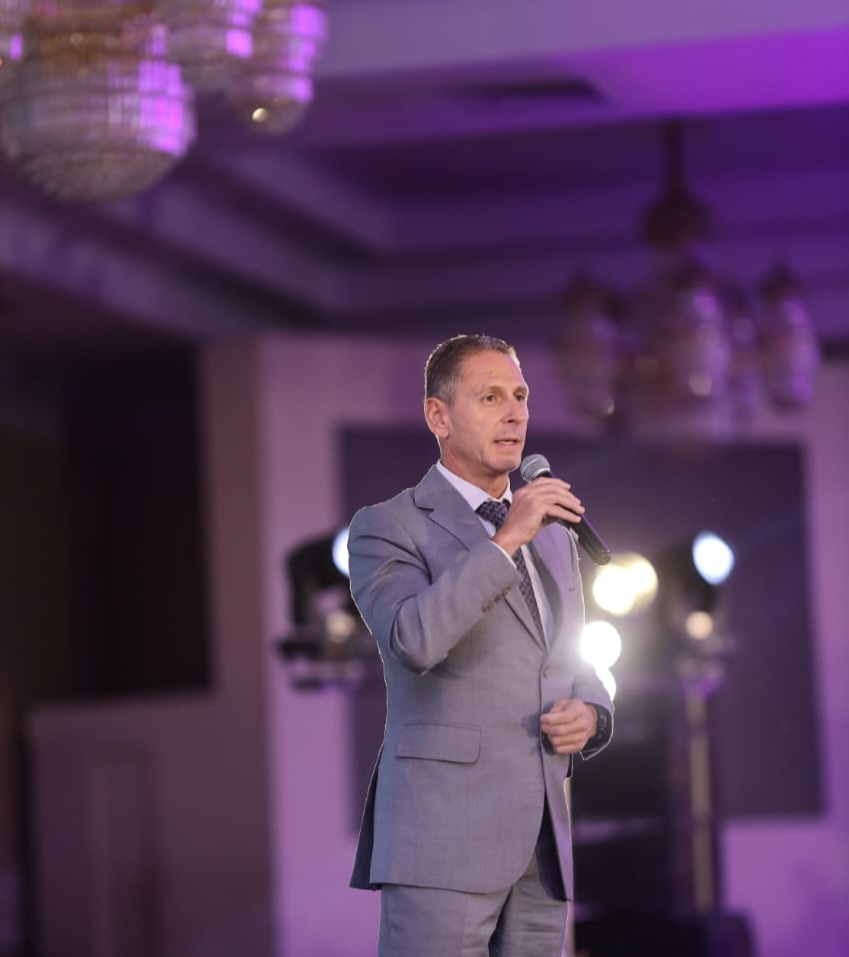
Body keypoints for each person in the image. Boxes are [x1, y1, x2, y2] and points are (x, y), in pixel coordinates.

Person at [348, 334, 614, 957]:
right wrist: (505, 541)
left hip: (542, 844)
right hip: (443, 841)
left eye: (520, 396)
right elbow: (414, 638)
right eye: (491, 397)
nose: (515, 413)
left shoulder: (553, 535)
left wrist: (593, 711)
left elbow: (572, 656)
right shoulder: (388, 526)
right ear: (438, 416)